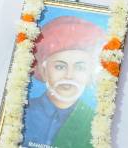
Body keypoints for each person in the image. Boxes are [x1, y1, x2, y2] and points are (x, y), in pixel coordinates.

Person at [21, 16, 106, 148]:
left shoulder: (95, 123)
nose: (69, 76)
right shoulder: (22, 111)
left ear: (90, 74)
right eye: (60, 67)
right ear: (43, 70)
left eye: (80, 67)